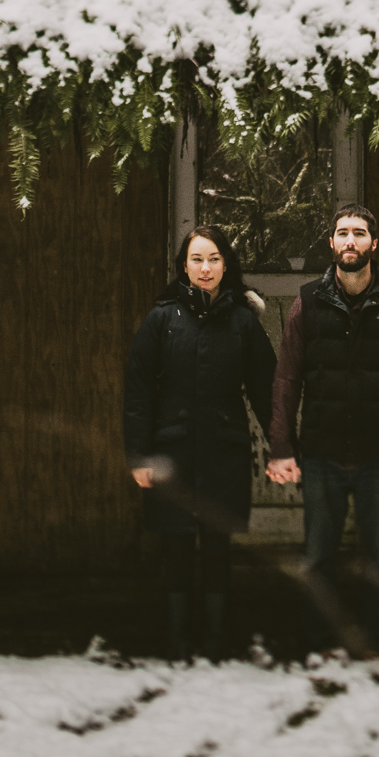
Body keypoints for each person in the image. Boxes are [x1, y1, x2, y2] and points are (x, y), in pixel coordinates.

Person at [265, 202, 379, 654]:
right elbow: (286, 379)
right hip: (321, 453)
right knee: (318, 561)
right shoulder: (308, 301)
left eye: (359, 233)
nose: (350, 240)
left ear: (374, 244)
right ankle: (320, 646)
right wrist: (282, 447)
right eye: (342, 233)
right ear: (331, 243)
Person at [122, 225, 276, 660]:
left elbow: (266, 391)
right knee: (175, 544)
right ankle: (178, 642)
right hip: (169, 452)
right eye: (196, 260)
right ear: (183, 266)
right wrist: (138, 455)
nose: (205, 268)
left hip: (224, 450)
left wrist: (282, 448)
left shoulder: (243, 322)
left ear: (226, 265)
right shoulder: (161, 319)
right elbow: (138, 392)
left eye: (213, 259)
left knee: (216, 546)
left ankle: (213, 643)